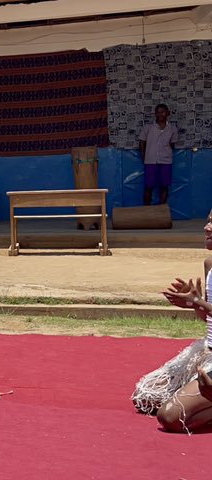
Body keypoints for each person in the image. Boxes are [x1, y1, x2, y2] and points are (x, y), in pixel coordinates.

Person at [132, 209, 212, 432]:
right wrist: (194, 304)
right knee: (147, 397)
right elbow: (208, 318)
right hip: (209, 350)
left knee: (169, 416)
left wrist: (200, 302)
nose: (206, 228)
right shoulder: (210, 264)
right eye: (207, 221)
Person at [139, 103, 178, 206]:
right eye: (158, 112)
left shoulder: (172, 129)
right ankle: (146, 212)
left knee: (164, 187)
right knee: (149, 187)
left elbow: (172, 144)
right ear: (155, 114)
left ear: (168, 113)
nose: (160, 114)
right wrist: (144, 157)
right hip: (150, 161)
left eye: (163, 112)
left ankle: (162, 213)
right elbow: (142, 142)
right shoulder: (148, 127)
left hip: (166, 161)